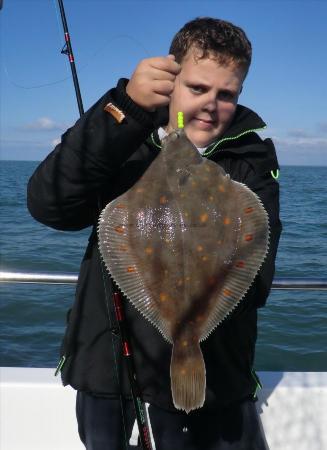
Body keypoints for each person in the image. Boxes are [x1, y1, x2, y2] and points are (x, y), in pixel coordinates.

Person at [27, 17, 281, 450]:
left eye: (226, 95)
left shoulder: (250, 155)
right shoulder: (123, 135)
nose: (210, 106)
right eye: (198, 88)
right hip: (110, 366)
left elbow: (255, 278)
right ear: (170, 77)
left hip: (214, 376)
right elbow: (51, 205)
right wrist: (122, 109)